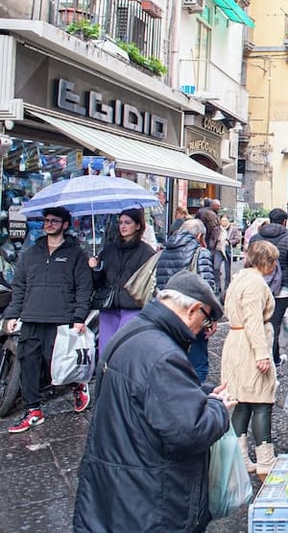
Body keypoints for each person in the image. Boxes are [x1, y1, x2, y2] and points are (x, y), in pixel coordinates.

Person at [73, 270, 234, 532]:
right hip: (148, 498)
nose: (203, 329)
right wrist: (218, 407)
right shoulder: (163, 355)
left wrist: (200, 393)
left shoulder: (134, 332)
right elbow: (191, 431)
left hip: (116, 484)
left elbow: (149, 392)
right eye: (206, 320)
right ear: (193, 310)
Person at [5, 207, 93, 432]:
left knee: (58, 364)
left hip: (61, 318)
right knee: (28, 364)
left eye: (54, 220)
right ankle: (33, 410)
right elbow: (19, 287)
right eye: (46, 220)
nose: (49, 224)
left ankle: (77, 384)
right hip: (32, 317)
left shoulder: (76, 254)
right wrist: (12, 314)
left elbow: (84, 288)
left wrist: (79, 316)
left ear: (65, 225)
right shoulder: (31, 253)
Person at [221, 240, 279, 479]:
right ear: (267, 261)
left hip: (236, 342)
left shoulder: (239, 279)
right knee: (261, 401)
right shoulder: (255, 283)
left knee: (242, 402)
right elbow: (253, 319)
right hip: (249, 345)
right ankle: (265, 459)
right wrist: (262, 354)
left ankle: (241, 457)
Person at [155, 218, 218, 382]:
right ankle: (194, 394)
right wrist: (211, 319)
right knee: (197, 362)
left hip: (168, 312)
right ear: (199, 236)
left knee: (172, 358)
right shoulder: (200, 252)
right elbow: (207, 287)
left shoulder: (165, 251)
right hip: (192, 313)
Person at [88, 208, 157, 352]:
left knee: (125, 349)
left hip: (133, 306)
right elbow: (99, 282)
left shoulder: (146, 252)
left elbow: (149, 283)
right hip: (109, 305)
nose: (123, 226)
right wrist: (95, 269)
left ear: (138, 226)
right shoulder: (109, 250)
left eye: (127, 222)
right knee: (105, 349)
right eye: (120, 223)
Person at [250, 208, 288, 366]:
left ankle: (258, 355)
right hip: (281, 288)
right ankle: (272, 359)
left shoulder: (255, 238)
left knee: (257, 321)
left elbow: (249, 263)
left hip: (257, 285)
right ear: (285, 222)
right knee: (274, 324)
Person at [220, 214, 242, 290]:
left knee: (228, 268)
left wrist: (229, 242)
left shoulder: (233, 229)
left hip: (230, 250)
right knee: (218, 267)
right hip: (220, 249)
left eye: (225, 221)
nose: (224, 222)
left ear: (228, 221)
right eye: (222, 221)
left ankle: (228, 285)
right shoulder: (219, 229)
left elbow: (237, 239)